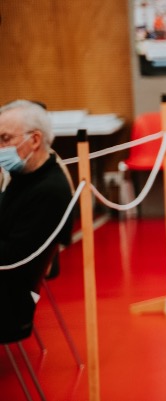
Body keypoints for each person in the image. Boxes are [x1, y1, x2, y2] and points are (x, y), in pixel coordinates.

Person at [0, 100, 73, 343]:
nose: (0, 147)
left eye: (5, 139)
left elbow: (13, 258)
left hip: (10, 304)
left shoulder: (48, 191)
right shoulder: (25, 175)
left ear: (34, 140)